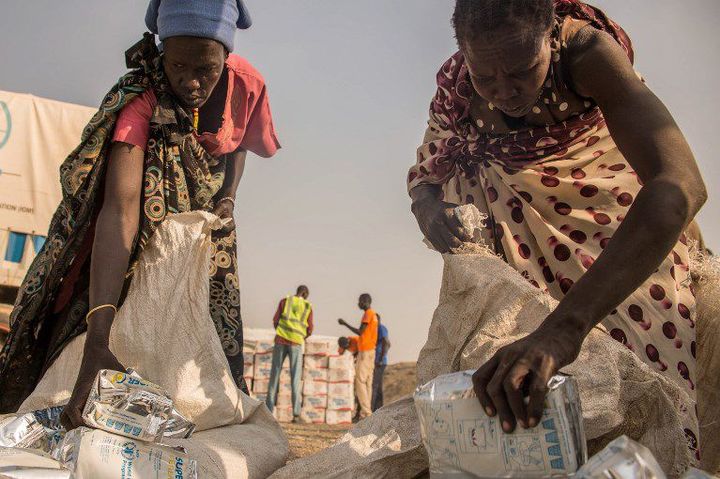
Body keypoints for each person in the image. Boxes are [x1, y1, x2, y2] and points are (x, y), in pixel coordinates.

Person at [408, 0, 706, 457]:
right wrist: (430, 211)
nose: (503, 91)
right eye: (486, 76)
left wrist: (562, 330)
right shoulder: (457, 89)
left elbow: (679, 187)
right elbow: (427, 178)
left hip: (618, 252)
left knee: (646, 394)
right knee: (525, 411)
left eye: (523, 70)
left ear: (549, 34)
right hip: (520, 265)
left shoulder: (585, 55)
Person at [0, 0, 280, 428]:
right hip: (148, 227)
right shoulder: (143, 96)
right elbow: (122, 207)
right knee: (127, 305)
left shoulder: (248, 85)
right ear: (161, 52)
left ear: (226, 57)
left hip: (204, 227)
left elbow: (241, 141)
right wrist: (99, 337)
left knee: (203, 328)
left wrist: (229, 195)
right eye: (178, 66)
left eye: (206, 69)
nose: (191, 83)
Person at [266, 285, 314, 422]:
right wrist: (299, 337)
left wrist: (281, 333)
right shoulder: (307, 306)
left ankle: (269, 412)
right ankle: (296, 415)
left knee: (274, 376)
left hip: (280, 340)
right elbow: (310, 329)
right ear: (305, 294)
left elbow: (275, 320)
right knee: (295, 379)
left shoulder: (284, 301)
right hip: (296, 344)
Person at [338, 293, 378, 419]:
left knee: (360, 382)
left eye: (360, 301)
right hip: (371, 350)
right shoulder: (374, 315)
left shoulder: (368, 314)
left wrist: (345, 324)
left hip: (365, 350)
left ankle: (366, 412)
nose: (358, 304)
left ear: (366, 302)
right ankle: (367, 410)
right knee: (367, 382)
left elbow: (360, 331)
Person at [371, 315, 390, 411]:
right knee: (378, 386)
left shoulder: (381, 328)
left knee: (374, 385)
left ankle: (372, 409)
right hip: (377, 361)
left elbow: (386, 343)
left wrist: (381, 358)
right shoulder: (375, 330)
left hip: (380, 362)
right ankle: (379, 408)